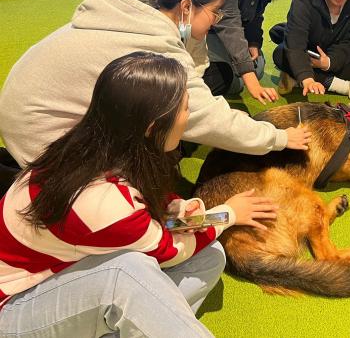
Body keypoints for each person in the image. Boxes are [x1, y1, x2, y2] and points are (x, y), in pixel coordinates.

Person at [0, 52, 278, 337]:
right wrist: (227, 214)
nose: (189, 116)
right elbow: (169, 247)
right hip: (13, 309)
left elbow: (158, 217)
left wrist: (185, 209)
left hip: (62, 277)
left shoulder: (96, 147)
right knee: (127, 272)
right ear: (151, 126)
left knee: (209, 255)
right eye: (184, 108)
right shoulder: (103, 202)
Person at [0, 0, 310, 175]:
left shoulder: (140, 13)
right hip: (41, 141)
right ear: (187, 7)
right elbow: (209, 117)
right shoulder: (154, 51)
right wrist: (280, 138)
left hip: (23, 113)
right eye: (214, 12)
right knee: (152, 171)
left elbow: (194, 71)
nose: (216, 21)